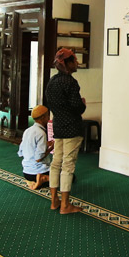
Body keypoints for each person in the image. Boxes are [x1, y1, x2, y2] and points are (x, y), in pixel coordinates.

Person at [45, 48, 86, 214]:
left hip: (58, 125)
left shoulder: (52, 81)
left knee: (56, 163)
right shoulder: (70, 82)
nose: (76, 63)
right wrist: (83, 104)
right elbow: (77, 107)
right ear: (67, 64)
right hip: (72, 127)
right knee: (68, 165)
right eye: (74, 60)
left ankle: (54, 200)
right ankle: (65, 205)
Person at [19, 105, 52, 190]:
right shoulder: (41, 133)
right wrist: (51, 148)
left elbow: (21, 152)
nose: (49, 117)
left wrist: (45, 144)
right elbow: (38, 158)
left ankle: (30, 181)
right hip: (38, 171)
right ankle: (43, 179)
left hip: (26, 172)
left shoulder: (27, 130)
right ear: (43, 117)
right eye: (48, 115)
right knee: (69, 177)